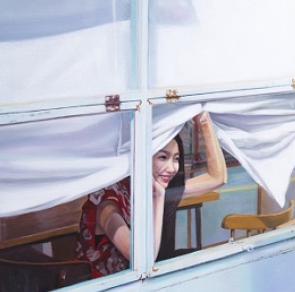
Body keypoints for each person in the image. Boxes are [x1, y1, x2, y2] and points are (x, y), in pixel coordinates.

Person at [75, 112, 227, 277]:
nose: (171, 168)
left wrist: (203, 120)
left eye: (176, 159)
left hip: (135, 286)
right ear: (141, 157)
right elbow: (143, 262)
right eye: (163, 157)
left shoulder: (147, 188)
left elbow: (217, 177)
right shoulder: (108, 202)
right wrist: (159, 197)